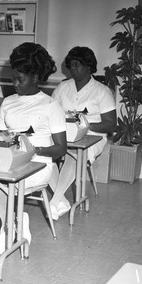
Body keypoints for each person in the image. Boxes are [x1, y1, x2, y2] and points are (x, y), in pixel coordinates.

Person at [0, 43, 67, 255]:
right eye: (13, 78)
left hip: (38, 165)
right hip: (10, 162)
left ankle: (8, 228)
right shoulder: (8, 102)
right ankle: (14, 222)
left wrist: (33, 150)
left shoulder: (51, 105)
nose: (14, 84)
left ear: (35, 78)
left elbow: (60, 148)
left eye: (19, 79)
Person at [49, 46, 116, 219]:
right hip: (64, 135)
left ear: (89, 67)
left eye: (77, 65)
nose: (73, 69)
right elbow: (50, 113)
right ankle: (61, 200)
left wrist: (85, 125)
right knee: (42, 153)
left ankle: (55, 201)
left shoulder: (102, 91)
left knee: (73, 153)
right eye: (71, 65)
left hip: (93, 137)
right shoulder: (63, 88)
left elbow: (110, 125)